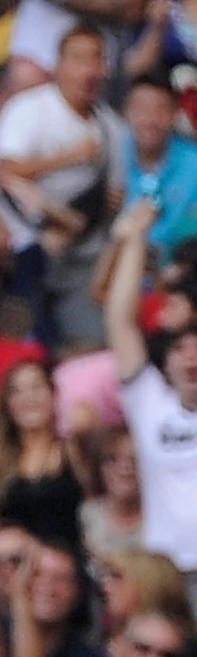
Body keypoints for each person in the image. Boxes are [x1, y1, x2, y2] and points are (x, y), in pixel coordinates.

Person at [105, 205, 197, 571]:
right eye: (179, 349)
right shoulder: (149, 402)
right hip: (164, 576)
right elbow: (119, 320)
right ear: (166, 364)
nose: (191, 358)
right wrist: (135, 239)